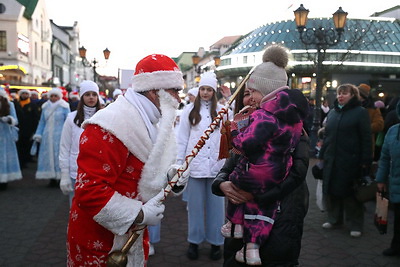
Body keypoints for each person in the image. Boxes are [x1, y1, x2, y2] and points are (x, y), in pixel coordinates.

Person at [66, 54, 187, 266]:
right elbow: (89, 191)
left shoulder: (149, 120)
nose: (179, 98)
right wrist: (139, 213)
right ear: (154, 91)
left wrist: (170, 178)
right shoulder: (108, 125)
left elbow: (142, 172)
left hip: (129, 237)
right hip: (101, 241)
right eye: (175, 90)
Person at [216, 44, 309, 265]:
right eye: (246, 93)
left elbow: (297, 176)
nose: (249, 99)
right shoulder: (249, 124)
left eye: (253, 93)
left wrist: (256, 195)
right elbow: (230, 164)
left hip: (279, 221)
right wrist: (221, 184)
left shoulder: (294, 128)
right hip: (240, 222)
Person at [176, 71, 227, 261]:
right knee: (195, 208)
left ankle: (216, 243)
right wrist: (180, 164)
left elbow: (230, 134)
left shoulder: (223, 110)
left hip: (216, 167)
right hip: (195, 166)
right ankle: (194, 241)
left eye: (209, 90)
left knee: (217, 208)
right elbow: (182, 140)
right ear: (199, 91)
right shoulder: (189, 110)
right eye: (203, 89)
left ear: (214, 92)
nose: (205, 93)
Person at [319, 83, 372, 238]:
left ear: (353, 95)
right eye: (339, 93)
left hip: (351, 160)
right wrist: (322, 156)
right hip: (332, 159)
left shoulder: (360, 112)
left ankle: (355, 224)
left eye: (345, 93)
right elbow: (327, 136)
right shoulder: (333, 113)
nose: (340, 96)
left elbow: (366, 138)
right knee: (332, 191)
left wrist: (365, 161)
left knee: (351, 193)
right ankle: (334, 218)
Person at [59, 81, 101, 205]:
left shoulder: (105, 117)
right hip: (76, 172)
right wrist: (64, 173)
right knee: (76, 209)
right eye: (87, 94)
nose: (91, 97)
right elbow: (64, 147)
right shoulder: (71, 118)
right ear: (82, 97)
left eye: (94, 94)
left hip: (98, 172)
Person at [376, 101, 400, 256]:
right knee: (398, 219)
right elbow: (384, 158)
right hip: (396, 183)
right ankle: (396, 246)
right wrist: (381, 179)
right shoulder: (393, 131)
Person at [33, 88, 70, 187]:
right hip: (47, 135)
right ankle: (51, 177)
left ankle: (60, 177)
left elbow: (68, 122)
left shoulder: (64, 106)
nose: (53, 98)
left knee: (59, 156)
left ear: (59, 97)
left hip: (60, 135)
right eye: (52, 96)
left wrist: (69, 135)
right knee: (48, 155)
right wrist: (38, 134)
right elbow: (42, 122)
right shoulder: (45, 107)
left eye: (55, 96)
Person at [0, 88, 22, 190]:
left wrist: (8, 119)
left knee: (5, 157)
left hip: (5, 135)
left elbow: (15, 119)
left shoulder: (9, 104)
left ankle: (4, 180)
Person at [13, 89, 40, 168]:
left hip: (28, 129)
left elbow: (36, 118)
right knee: (18, 146)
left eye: (26, 94)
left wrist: (34, 130)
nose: (24, 95)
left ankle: (24, 161)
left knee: (26, 145)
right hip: (18, 128)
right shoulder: (16, 104)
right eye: (23, 93)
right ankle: (19, 161)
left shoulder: (32, 105)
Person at [358, 83, 384, 159]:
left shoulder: (373, 109)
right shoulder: (351, 107)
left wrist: (363, 128)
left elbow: (380, 125)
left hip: (365, 146)